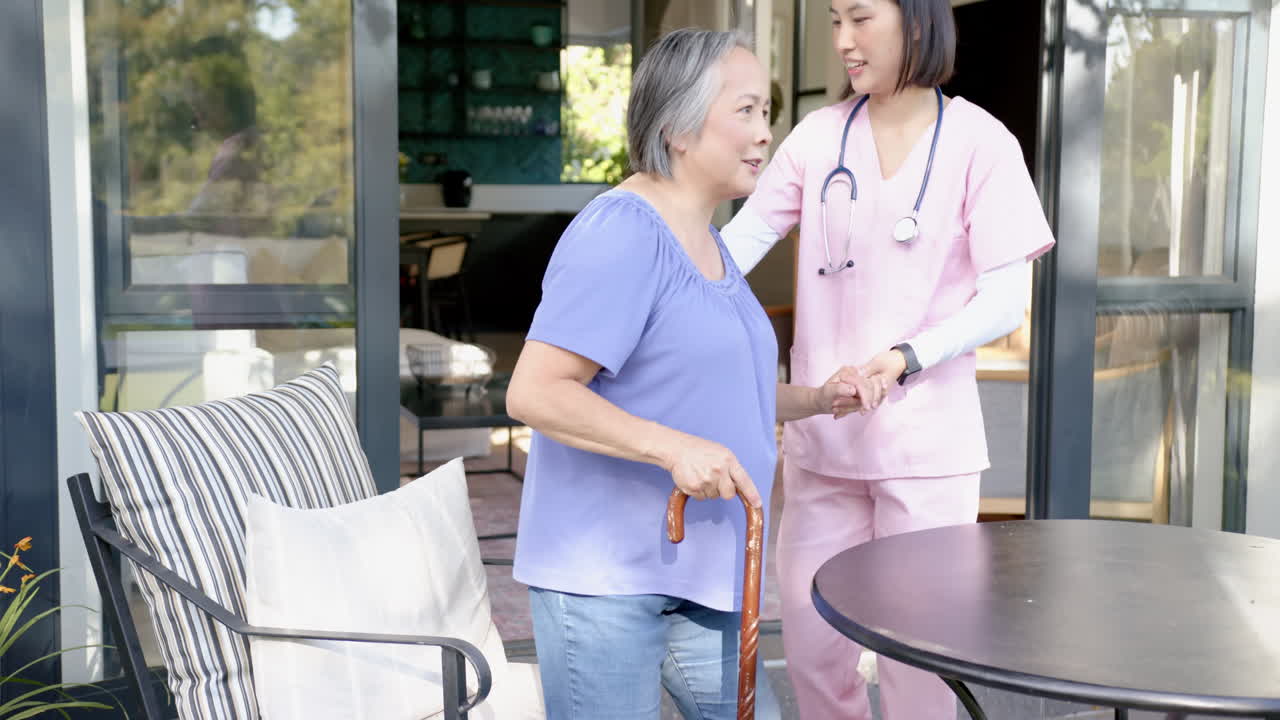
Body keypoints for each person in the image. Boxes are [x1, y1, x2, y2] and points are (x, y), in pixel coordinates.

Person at [505, 27, 876, 720]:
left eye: (766, 112)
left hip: (703, 578)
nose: (765, 133)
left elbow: (709, 389)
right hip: (608, 579)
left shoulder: (707, 240)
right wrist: (674, 449)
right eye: (746, 112)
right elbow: (534, 391)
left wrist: (819, 400)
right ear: (677, 126)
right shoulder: (623, 232)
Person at [719, 1, 1057, 718]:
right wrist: (662, 275)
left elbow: (1004, 302)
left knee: (918, 668)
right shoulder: (818, 138)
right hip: (825, 444)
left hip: (926, 450)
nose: (842, 41)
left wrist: (906, 356)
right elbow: (738, 246)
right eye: (834, 19)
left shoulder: (981, 143)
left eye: (860, 18)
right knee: (813, 655)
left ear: (917, 19)